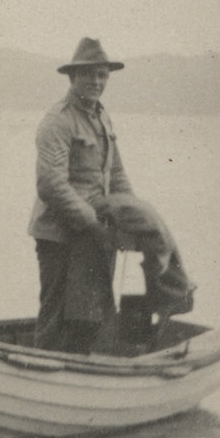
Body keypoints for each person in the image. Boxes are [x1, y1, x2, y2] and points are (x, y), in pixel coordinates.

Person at [27, 37, 133, 354]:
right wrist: (93, 223)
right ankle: (40, 384)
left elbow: (116, 174)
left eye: (102, 75)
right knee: (55, 314)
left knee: (91, 312)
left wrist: (129, 215)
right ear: (73, 77)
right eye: (89, 74)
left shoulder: (102, 117)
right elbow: (51, 184)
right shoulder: (58, 120)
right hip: (59, 235)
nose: (97, 82)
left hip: (95, 236)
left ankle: (77, 380)